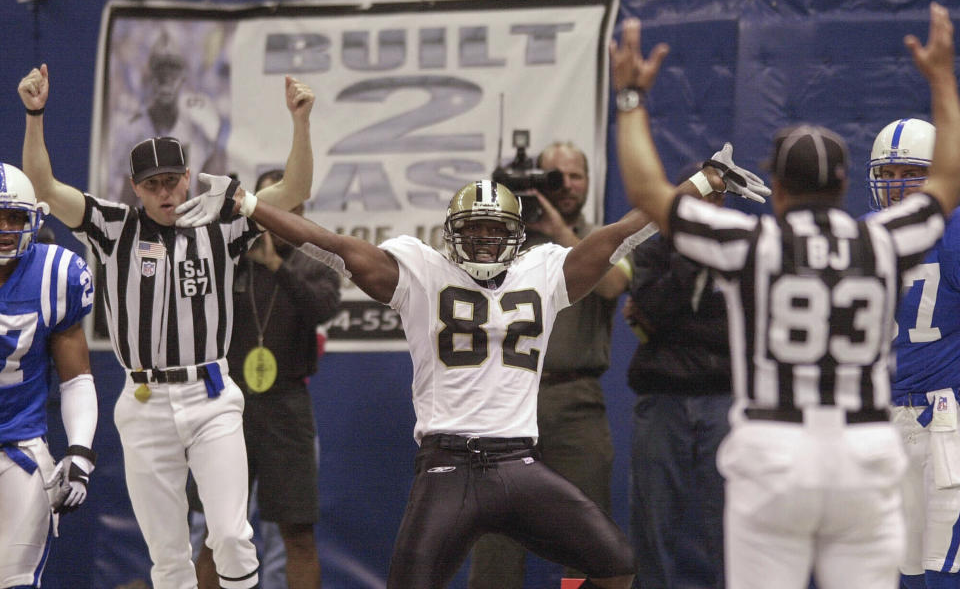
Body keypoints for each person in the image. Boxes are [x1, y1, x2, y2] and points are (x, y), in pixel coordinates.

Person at [173, 133, 767, 587]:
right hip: (447, 465)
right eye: (474, 232)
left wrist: (704, 181)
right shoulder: (419, 269)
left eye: (494, 232)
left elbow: (621, 235)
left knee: (616, 564)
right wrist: (249, 204)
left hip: (518, 461)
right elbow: (332, 247)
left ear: (515, 234)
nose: (484, 242)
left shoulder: (544, 268)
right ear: (452, 234)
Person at [611, 3, 960, 589]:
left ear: (775, 189)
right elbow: (945, 185)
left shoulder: (756, 243)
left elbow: (649, 191)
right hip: (864, 449)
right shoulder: (881, 243)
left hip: (775, 451)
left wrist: (629, 101)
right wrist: (944, 83)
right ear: (845, 183)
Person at [18, 62, 317, 589]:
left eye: (174, 180)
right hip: (144, 401)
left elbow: (293, 191)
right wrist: (35, 115)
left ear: (188, 175)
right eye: (153, 184)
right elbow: (41, 185)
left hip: (211, 393)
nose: (167, 193)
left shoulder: (222, 222)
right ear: (135, 187)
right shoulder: (112, 226)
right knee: (168, 555)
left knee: (229, 534)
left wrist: (300, 121)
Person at [467, 141, 628, 587]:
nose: (567, 186)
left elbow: (614, 285)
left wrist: (559, 230)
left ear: (590, 182)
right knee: (495, 531)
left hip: (576, 402)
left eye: (576, 176)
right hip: (505, 401)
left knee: (587, 534)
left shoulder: (599, 238)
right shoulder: (505, 241)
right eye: (555, 176)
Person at [193, 168, 341, 589]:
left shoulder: (317, 258)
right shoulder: (228, 256)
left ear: (301, 211)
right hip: (228, 404)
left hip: (286, 407)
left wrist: (278, 265)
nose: (278, 216)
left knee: (298, 533)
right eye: (270, 206)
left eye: (288, 207)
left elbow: (323, 309)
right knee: (215, 531)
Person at [622, 171, 731, 589]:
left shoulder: (743, 251)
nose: (710, 208)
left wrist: (664, 320)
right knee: (654, 526)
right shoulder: (653, 250)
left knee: (726, 524)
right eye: (703, 197)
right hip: (662, 400)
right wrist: (691, 257)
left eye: (718, 199)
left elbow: (746, 329)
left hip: (725, 398)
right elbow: (650, 307)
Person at [868, 117, 960, 589]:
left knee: (943, 570)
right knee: (895, 573)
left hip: (947, 422)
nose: (896, 186)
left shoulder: (954, 231)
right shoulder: (865, 234)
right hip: (883, 423)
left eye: (909, 172)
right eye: (886, 175)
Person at [0, 163, 98, 588]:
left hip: (19, 450)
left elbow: (76, 378)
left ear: (34, 219)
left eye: (15, 217)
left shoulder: (55, 275)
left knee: (16, 580)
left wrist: (79, 453)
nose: (5, 228)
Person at [108, 29, 225, 206]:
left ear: (183, 77)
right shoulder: (133, 129)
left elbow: (215, 182)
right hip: (149, 227)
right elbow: (128, 196)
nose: (166, 80)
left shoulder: (198, 121)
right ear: (151, 77)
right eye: (161, 72)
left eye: (173, 73)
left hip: (191, 222)